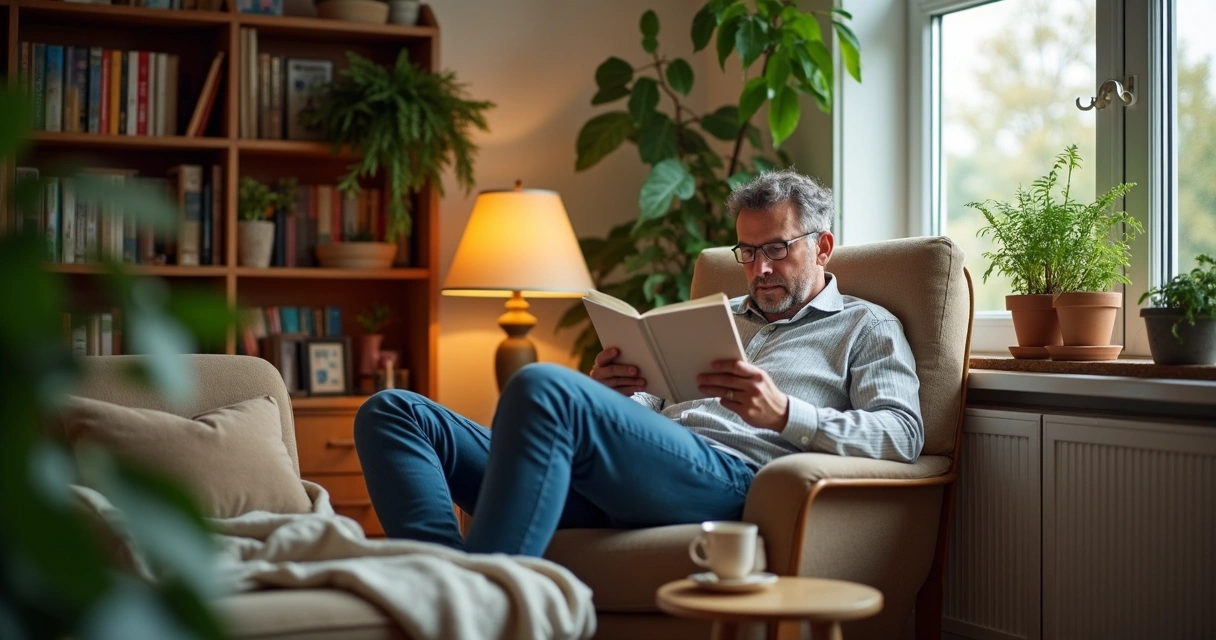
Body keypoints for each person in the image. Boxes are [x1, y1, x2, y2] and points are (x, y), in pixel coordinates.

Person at [353, 170, 923, 557]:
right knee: (393, 411)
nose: (759, 269)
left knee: (540, 385)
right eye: (747, 253)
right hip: (632, 469)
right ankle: (443, 580)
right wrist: (618, 394)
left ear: (822, 248)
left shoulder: (865, 326)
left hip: (725, 480)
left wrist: (785, 414)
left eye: (776, 248)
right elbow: (653, 403)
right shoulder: (713, 313)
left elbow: (904, 435)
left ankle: (480, 601)